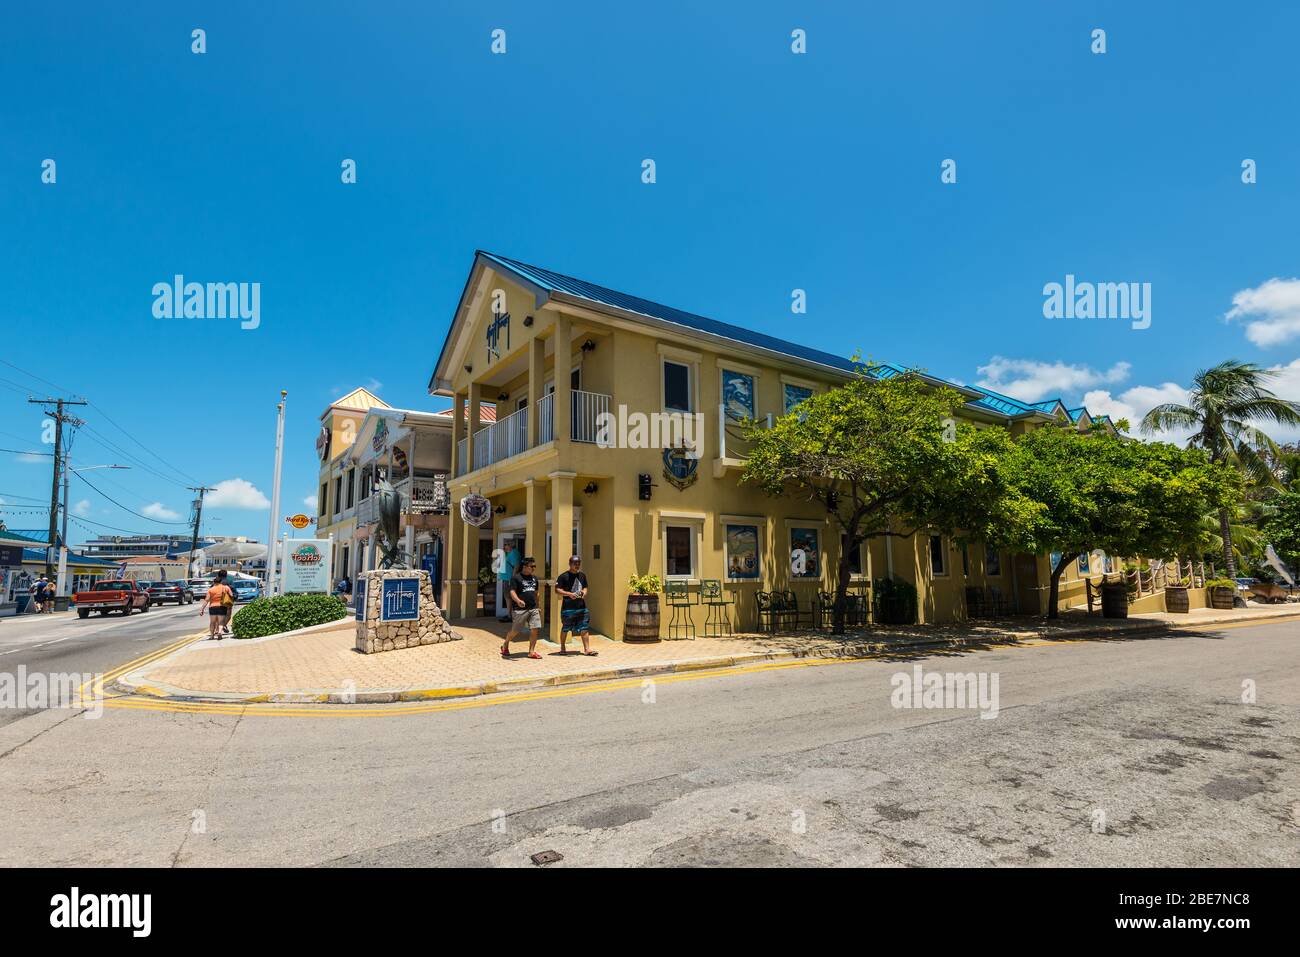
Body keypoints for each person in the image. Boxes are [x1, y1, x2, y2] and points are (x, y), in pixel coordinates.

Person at [501, 555, 542, 660]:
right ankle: (505, 644)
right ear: (524, 566)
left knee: (535, 628)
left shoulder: (534, 578)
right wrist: (518, 601)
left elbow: (536, 593)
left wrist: (538, 606)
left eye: (534, 566)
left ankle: (531, 651)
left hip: (533, 608)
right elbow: (512, 591)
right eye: (531, 566)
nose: (533, 568)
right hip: (520, 609)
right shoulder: (516, 578)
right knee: (515, 631)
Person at [555, 555, 596, 656]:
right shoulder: (563, 576)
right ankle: (563, 648)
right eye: (575, 563)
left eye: (578, 563)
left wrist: (584, 593)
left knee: (584, 628)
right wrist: (570, 594)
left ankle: (587, 649)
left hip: (582, 607)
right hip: (568, 609)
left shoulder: (582, 575)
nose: (577, 565)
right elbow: (557, 590)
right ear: (570, 564)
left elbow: (585, 587)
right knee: (566, 628)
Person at [198, 570, 234, 639]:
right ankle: (220, 632)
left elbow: (206, 600)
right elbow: (231, 595)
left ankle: (212, 636)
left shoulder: (211, 589)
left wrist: (202, 609)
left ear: (214, 582)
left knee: (212, 622)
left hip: (212, 607)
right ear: (220, 582)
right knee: (221, 622)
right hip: (222, 606)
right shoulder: (226, 587)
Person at [496, 541, 519, 622]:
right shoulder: (509, 553)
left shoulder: (513, 553)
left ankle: (511, 616)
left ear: (511, 545)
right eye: (505, 544)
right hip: (506, 578)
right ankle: (510, 614)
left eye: (506, 544)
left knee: (509, 597)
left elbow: (516, 566)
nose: (505, 546)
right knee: (507, 597)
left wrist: (512, 578)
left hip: (509, 579)